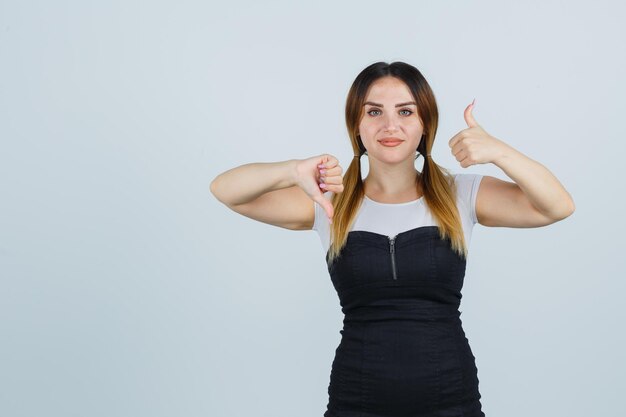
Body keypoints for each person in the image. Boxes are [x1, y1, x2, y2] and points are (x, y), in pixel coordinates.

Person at [210, 61, 575, 417]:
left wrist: (499, 152)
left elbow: (557, 206)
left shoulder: (459, 194)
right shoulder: (327, 203)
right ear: (356, 125)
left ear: (424, 125)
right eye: (373, 112)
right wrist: (291, 170)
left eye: (405, 112)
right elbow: (225, 190)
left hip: (452, 401)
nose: (389, 126)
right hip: (356, 403)